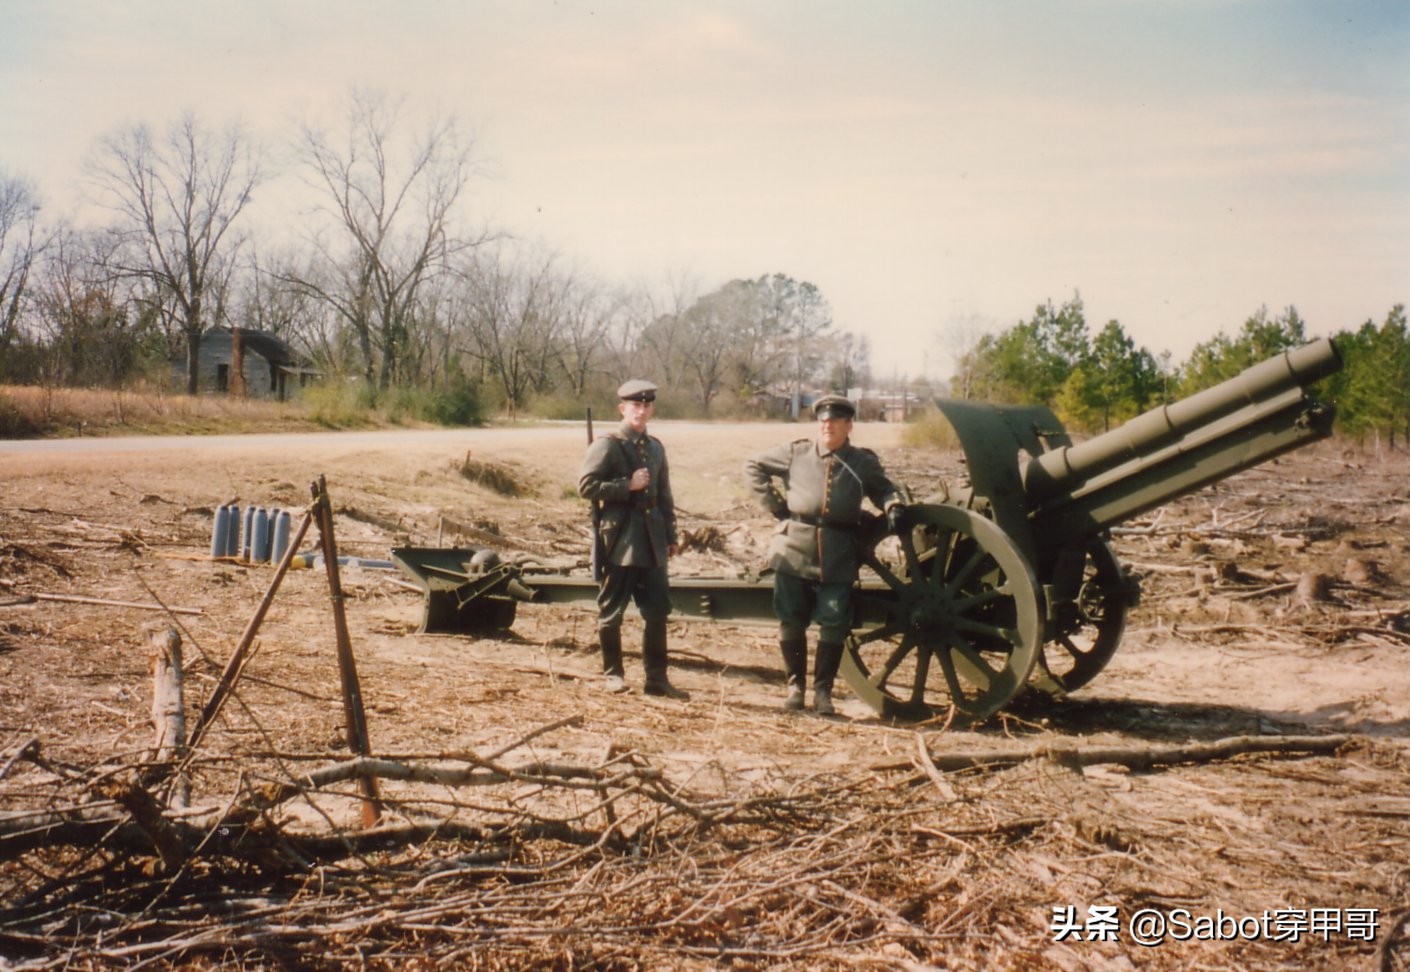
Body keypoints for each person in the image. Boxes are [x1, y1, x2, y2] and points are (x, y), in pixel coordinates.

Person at [744, 395, 907, 715]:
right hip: (793, 547)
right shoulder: (797, 452)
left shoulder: (862, 462)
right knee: (791, 618)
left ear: (849, 426)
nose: (827, 426)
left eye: (834, 422)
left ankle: (823, 693)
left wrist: (893, 505)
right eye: (823, 421)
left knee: (833, 621)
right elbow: (753, 466)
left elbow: (884, 488)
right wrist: (776, 507)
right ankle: (795, 687)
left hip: (838, 553)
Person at [578, 379, 689, 699]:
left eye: (646, 405)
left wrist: (670, 535)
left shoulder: (655, 447)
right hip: (621, 540)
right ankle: (613, 675)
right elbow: (586, 486)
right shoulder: (608, 444)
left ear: (652, 408)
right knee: (611, 610)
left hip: (653, 540)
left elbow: (665, 495)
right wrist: (627, 485)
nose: (641, 411)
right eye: (634, 406)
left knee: (657, 611)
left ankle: (657, 679)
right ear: (622, 409)